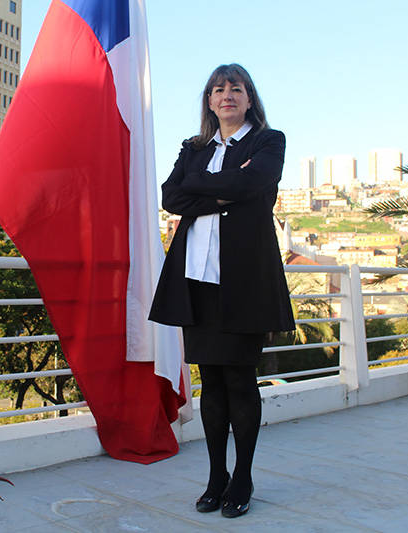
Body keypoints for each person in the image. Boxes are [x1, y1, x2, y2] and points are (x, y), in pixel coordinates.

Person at [149, 63, 295, 519]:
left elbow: (255, 183)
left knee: (239, 380)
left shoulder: (269, 142)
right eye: (218, 89)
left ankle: (243, 476)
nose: (226, 94)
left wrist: (206, 189)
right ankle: (216, 477)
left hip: (244, 280)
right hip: (196, 279)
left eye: (236, 88)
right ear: (209, 101)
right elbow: (170, 196)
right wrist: (221, 193)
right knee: (210, 382)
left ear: (250, 98)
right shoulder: (193, 148)